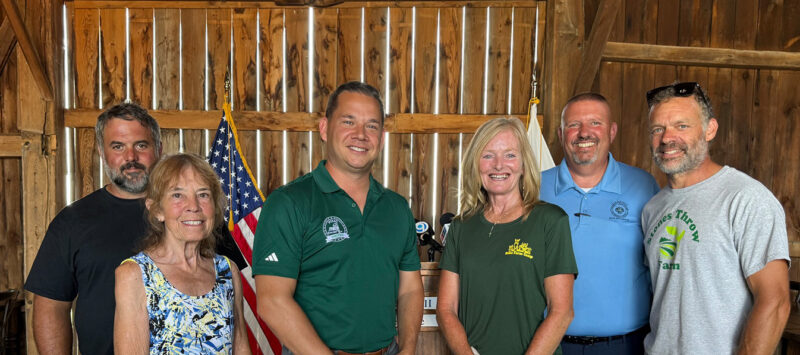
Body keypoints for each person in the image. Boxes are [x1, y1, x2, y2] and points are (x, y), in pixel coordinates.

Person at [24, 102, 246, 354]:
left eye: (141, 145)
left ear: (159, 149)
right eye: (118, 146)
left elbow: (229, 301)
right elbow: (51, 307)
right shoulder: (72, 222)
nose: (131, 157)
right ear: (101, 151)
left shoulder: (196, 217)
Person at [253, 81, 423, 355]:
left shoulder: (397, 208)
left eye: (372, 126)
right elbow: (272, 300)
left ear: (381, 138)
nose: (361, 134)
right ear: (324, 128)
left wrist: (408, 349)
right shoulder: (288, 203)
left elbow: (410, 290)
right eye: (348, 122)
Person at [642, 82, 790, 354]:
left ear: (710, 129)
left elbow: (775, 301)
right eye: (657, 129)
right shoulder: (653, 208)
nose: (666, 139)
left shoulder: (746, 198)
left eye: (681, 126)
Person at [437, 117, 578, 355]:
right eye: (488, 155)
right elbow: (445, 308)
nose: (499, 165)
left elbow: (562, 311)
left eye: (510, 155)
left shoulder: (551, 221)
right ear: (476, 163)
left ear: (524, 165)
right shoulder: (461, 227)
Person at [539, 93, 658, 355]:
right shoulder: (533, 189)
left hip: (625, 346)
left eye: (595, 123)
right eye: (574, 125)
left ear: (612, 131)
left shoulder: (643, 186)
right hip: (548, 345)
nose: (584, 133)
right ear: (561, 134)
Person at [114, 153, 250, 353]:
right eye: (178, 195)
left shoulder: (228, 271)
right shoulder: (134, 274)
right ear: (157, 210)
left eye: (203, 194)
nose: (194, 207)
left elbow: (241, 349)